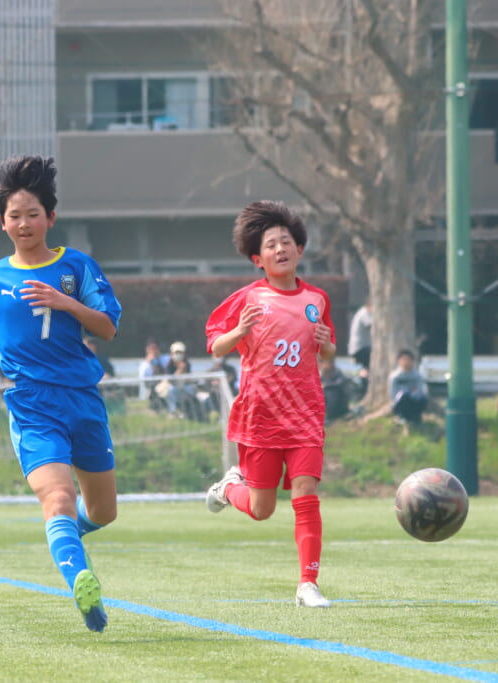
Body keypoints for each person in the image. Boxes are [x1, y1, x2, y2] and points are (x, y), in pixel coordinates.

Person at [0, 155, 121, 632]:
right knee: (57, 496)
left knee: (103, 511)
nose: (23, 223)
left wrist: (66, 302)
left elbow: (108, 328)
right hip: (32, 402)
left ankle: (66, 541)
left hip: (83, 399)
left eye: (32, 214)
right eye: (14, 215)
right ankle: (79, 578)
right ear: (2, 223)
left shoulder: (77, 266)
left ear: (50, 218)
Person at [203, 200, 337, 609]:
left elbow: (328, 351)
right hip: (261, 416)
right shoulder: (248, 299)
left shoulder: (317, 299)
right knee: (262, 509)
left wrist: (328, 347)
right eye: (271, 245)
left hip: (306, 414)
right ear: (258, 259)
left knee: (306, 491)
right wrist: (239, 331)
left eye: (286, 242)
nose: (281, 249)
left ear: (300, 249)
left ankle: (308, 584)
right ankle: (230, 487)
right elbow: (215, 347)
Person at [164, 341, 203, 421]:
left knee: (191, 389)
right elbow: (171, 380)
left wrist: (184, 369)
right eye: (176, 353)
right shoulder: (169, 365)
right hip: (174, 387)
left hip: (185, 386)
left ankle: (189, 411)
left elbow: (188, 379)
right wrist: (180, 369)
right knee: (171, 390)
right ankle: (172, 412)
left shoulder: (187, 364)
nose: (178, 355)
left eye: (180, 353)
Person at [389, 349, 428, 427]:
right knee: (403, 396)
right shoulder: (395, 376)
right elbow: (393, 394)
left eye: (408, 359)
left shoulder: (417, 375)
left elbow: (420, 390)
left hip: (414, 400)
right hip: (401, 402)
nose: (406, 362)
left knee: (421, 398)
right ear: (399, 361)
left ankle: (415, 418)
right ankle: (402, 417)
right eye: (403, 360)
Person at [347, 300, 371, 396]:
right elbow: (370, 325)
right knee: (367, 367)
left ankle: (364, 386)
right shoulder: (364, 313)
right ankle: (364, 388)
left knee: (366, 368)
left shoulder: (362, 312)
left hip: (360, 348)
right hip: (360, 348)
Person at [319, 357, 350, 424]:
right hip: (327, 401)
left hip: (339, 400)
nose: (326, 365)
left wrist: (327, 385)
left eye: (328, 363)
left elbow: (339, 383)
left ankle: (330, 416)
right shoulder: (321, 374)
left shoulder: (337, 372)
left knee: (331, 392)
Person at [138, 339, 165, 403]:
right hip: (149, 389)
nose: (153, 351)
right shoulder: (143, 365)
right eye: (151, 349)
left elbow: (162, 375)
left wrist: (154, 363)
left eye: (155, 348)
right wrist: (150, 362)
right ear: (147, 350)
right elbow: (142, 380)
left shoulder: (165, 359)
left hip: (163, 387)